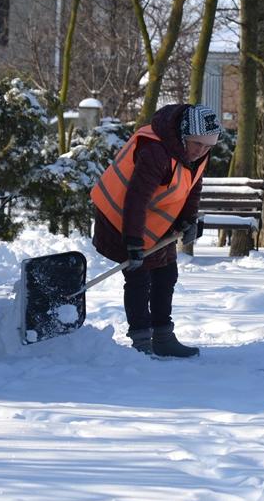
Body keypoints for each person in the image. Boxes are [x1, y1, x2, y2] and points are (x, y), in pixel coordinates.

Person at [90, 103, 222, 357]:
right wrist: (133, 242)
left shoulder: (197, 152)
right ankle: (141, 341)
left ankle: (163, 337)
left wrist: (188, 220)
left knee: (166, 275)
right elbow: (136, 198)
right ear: (184, 136)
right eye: (197, 145)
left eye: (208, 147)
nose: (202, 152)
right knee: (139, 277)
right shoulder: (155, 152)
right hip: (119, 217)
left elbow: (192, 186)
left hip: (153, 220)